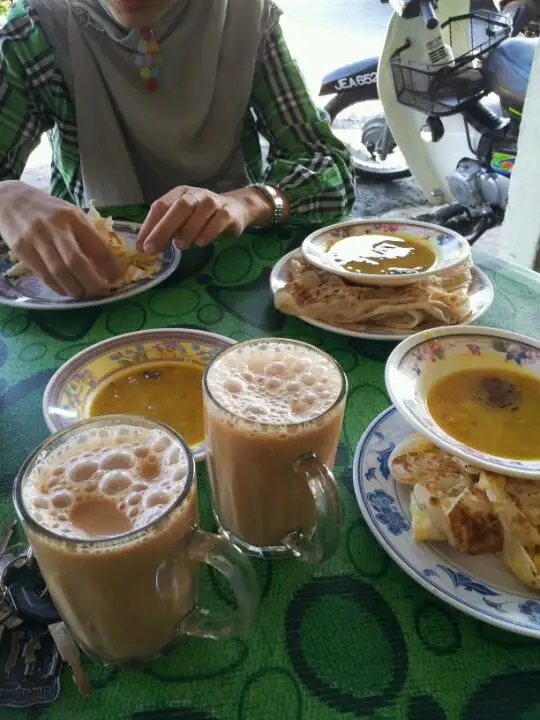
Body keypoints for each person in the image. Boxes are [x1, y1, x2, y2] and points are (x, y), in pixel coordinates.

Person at [0, 0, 355, 299]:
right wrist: (6, 197)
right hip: (83, 281)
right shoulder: (37, 29)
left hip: (230, 272)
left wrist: (250, 202)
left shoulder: (244, 15)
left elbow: (329, 169)